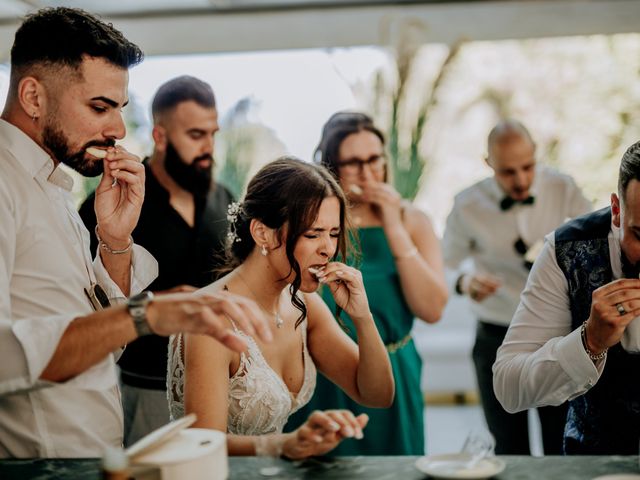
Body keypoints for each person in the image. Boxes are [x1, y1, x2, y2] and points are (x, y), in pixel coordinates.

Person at [0, 7, 270, 458]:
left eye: (120, 109)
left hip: (93, 455)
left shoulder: (54, 188)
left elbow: (104, 344)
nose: (119, 130)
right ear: (33, 97)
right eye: (100, 107)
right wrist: (149, 314)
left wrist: (116, 240)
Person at [167, 157, 395, 459]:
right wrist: (284, 445)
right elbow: (203, 445)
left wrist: (362, 317)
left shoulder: (305, 305)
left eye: (334, 233)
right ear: (263, 233)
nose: (328, 248)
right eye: (313, 234)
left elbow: (377, 394)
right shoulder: (211, 320)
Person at [80, 75, 235, 446]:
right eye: (196, 135)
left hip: (220, 388)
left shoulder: (224, 198)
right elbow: (84, 313)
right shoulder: (109, 206)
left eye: (213, 134)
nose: (208, 147)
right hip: (143, 390)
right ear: (160, 136)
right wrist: (161, 307)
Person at [287, 111, 447, 455]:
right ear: (331, 166)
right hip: (325, 371)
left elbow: (432, 309)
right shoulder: (316, 223)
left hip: (392, 367)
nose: (368, 172)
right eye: (353, 162)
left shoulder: (412, 220)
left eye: (375, 159)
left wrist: (393, 223)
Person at [442, 119, 592, 455]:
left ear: (536, 154)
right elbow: (446, 264)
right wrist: (466, 282)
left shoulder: (563, 187)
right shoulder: (466, 204)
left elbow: (596, 236)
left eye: (527, 167)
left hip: (556, 335)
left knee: (561, 442)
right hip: (495, 335)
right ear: (488, 163)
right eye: (508, 172)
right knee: (508, 447)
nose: (521, 180)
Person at [494, 141, 640, 454]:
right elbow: (508, 386)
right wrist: (590, 342)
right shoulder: (566, 251)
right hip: (593, 463)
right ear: (617, 210)